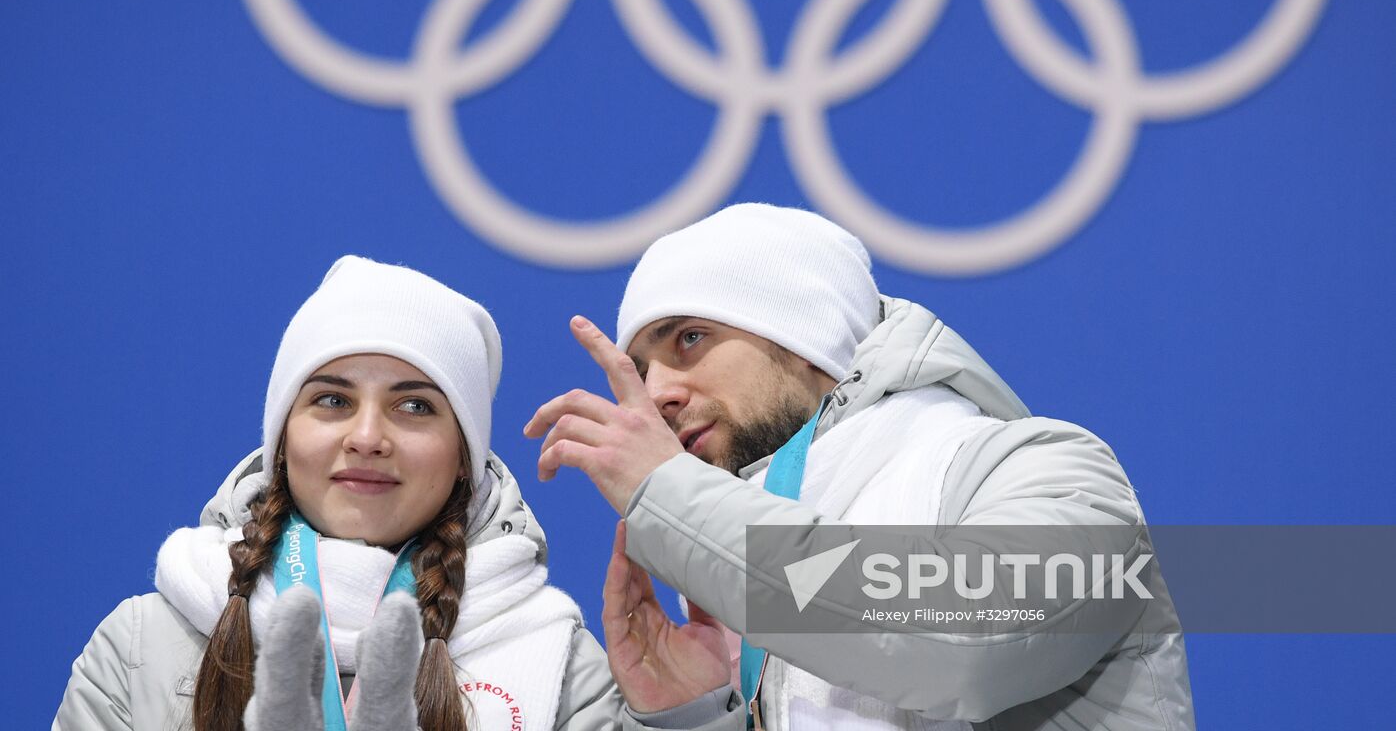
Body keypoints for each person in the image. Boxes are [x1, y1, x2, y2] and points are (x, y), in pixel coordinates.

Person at [527, 203, 1196, 731]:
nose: (660, 391)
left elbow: (961, 644)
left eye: (691, 338)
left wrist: (672, 498)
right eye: (643, 369)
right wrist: (698, 718)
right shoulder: (736, 568)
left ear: (808, 336)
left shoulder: (1047, 471)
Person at [54, 256, 732, 731]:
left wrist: (691, 721)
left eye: (414, 408)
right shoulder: (144, 642)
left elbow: (825, 622)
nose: (368, 436)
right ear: (281, 439)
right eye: (330, 400)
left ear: (466, 458)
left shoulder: (555, 655)